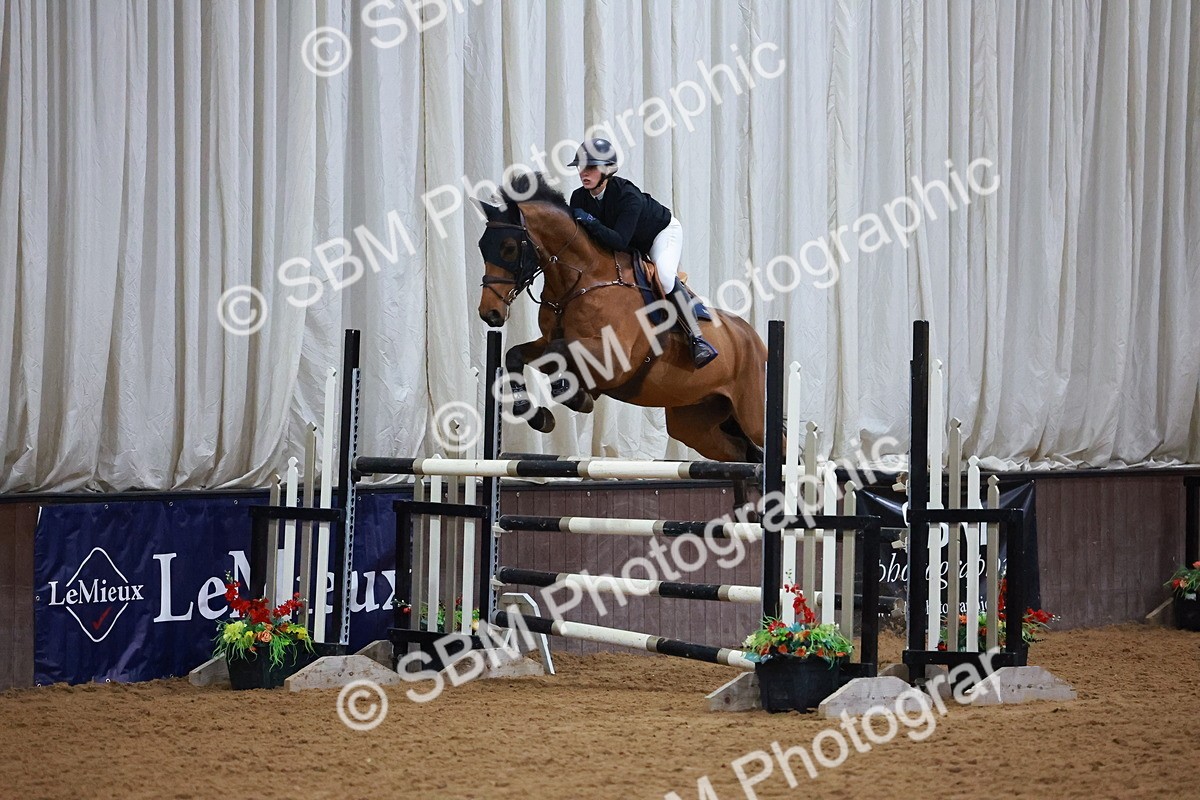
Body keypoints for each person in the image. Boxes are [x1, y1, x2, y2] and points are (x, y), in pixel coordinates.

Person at [567, 138, 718, 369]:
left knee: (665, 275)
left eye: (591, 167)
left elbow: (618, 240)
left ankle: (697, 339)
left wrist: (589, 220)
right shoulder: (578, 197)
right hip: (629, 242)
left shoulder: (628, 196)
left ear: (607, 170)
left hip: (659, 234)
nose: (583, 173)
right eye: (581, 167)